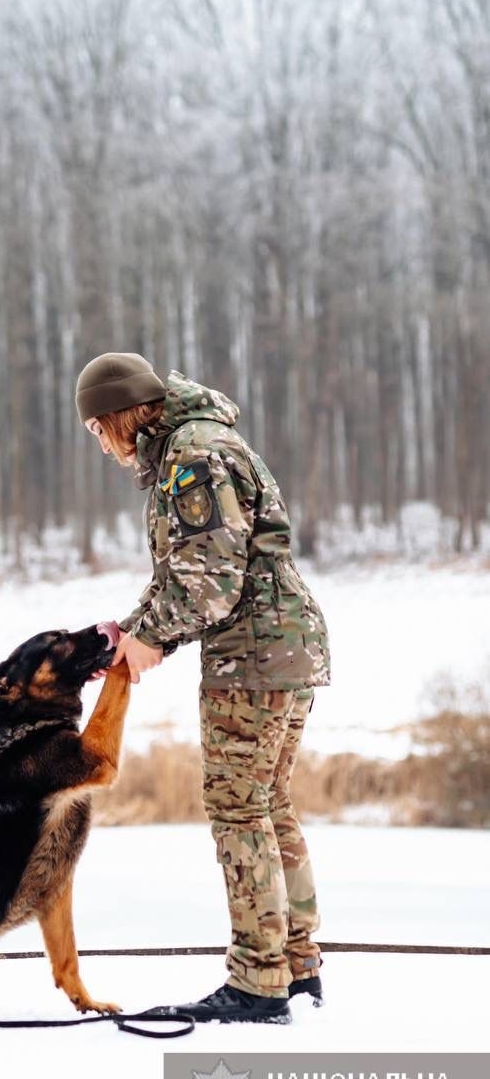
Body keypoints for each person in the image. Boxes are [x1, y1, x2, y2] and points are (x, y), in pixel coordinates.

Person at [75, 352, 330, 1025]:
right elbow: (189, 569)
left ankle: (256, 981)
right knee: (265, 801)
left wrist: (153, 637)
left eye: (98, 429)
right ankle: (294, 965)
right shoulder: (196, 444)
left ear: (120, 416)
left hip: (253, 656)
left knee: (236, 807)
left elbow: (208, 581)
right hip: (280, 647)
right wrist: (127, 633)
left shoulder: (193, 459)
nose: (101, 445)